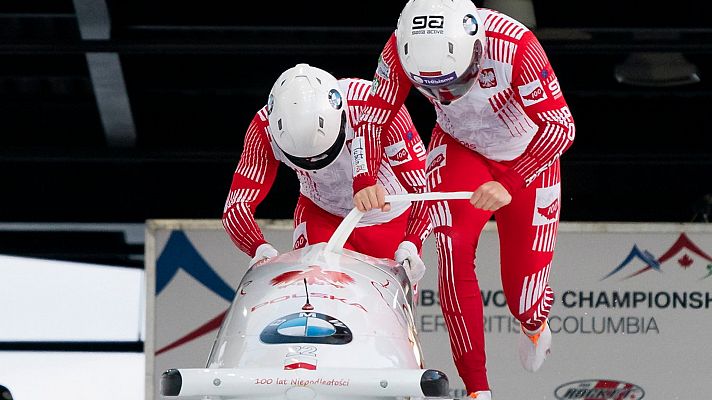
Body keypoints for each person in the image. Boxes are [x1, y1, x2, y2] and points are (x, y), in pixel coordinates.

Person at [350, 0, 576, 398]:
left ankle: (535, 321)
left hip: (528, 158)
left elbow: (561, 127)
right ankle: (477, 390)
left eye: (453, 83)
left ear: (475, 49)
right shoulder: (399, 48)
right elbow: (373, 115)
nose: (446, 94)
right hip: (459, 146)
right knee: (451, 248)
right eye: (433, 88)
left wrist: (510, 179)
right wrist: (365, 176)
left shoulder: (515, 46)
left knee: (523, 295)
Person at [222, 63, 430, 285]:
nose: (315, 164)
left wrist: (412, 242)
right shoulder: (263, 129)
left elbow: (424, 188)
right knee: (316, 298)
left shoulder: (378, 104)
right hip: (322, 217)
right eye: (305, 161)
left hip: (391, 220)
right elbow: (236, 206)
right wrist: (259, 248)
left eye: (323, 155)